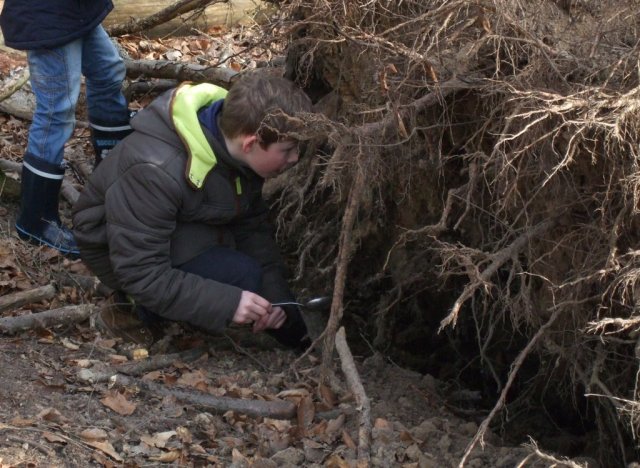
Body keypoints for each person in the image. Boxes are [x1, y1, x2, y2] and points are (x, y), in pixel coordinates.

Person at [72, 74, 314, 350]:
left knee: (255, 277)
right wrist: (228, 303)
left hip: (179, 222)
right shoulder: (155, 170)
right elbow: (141, 273)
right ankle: (136, 309)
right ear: (250, 143)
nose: (295, 159)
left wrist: (278, 301)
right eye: (287, 150)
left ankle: (299, 341)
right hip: (116, 251)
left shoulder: (231, 144)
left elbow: (252, 228)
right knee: (241, 274)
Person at [0, 1, 134, 257]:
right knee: (56, 109)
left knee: (108, 72)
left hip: (75, 11)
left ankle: (113, 180)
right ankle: (36, 220)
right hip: (46, 16)